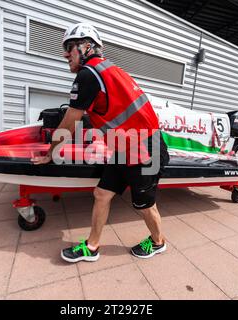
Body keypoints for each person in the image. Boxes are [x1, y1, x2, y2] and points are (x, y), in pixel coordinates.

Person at [32, 22, 170, 262]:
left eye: (70, 47)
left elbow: (69, 121)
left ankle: (158, 242)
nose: (65, 54)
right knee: (102, 194)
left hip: (146, 150)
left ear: (87, 46)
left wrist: (50, 153)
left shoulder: (89, 73)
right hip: (125, 148)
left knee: (144, 205)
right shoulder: (107, 70)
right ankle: (92, 246)